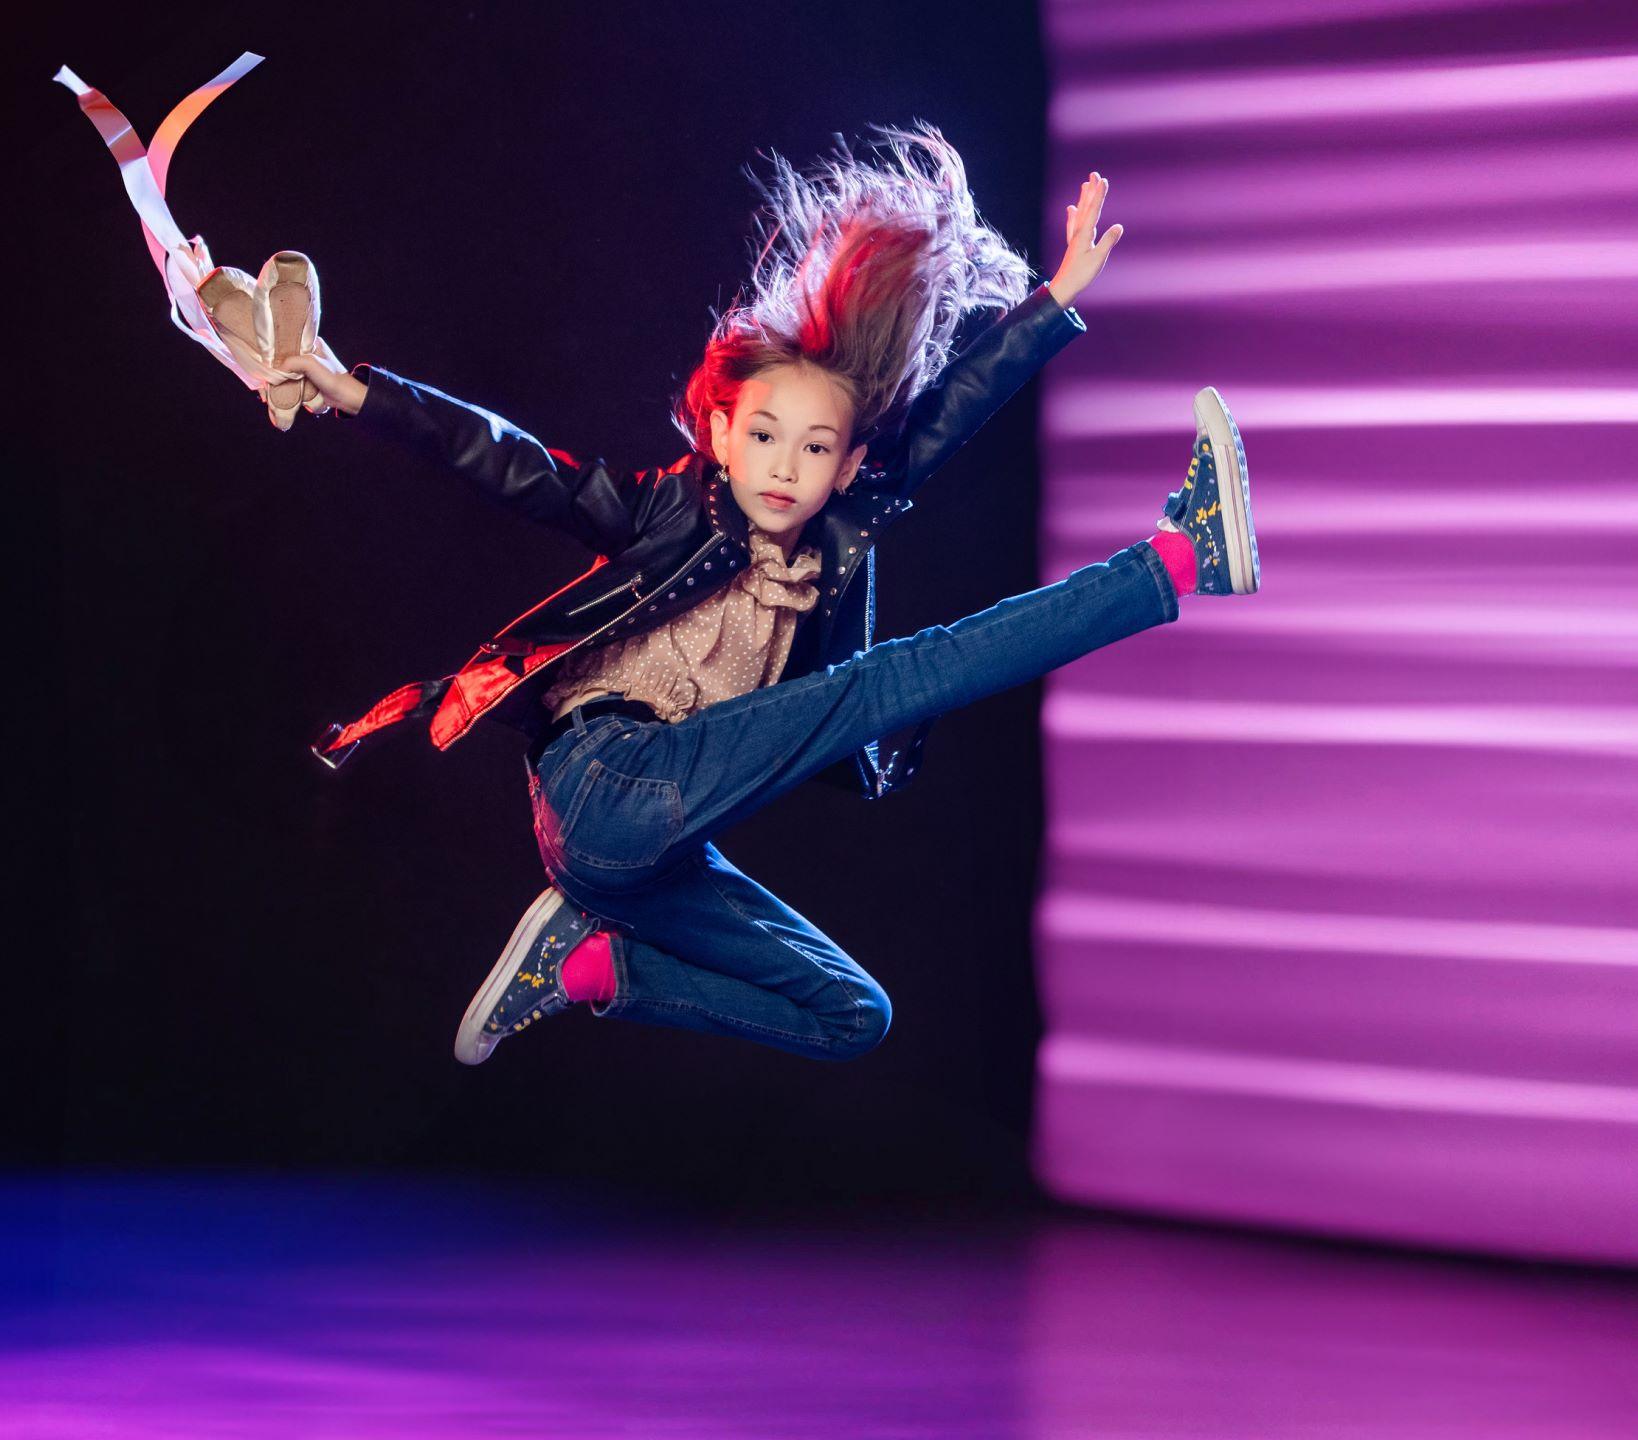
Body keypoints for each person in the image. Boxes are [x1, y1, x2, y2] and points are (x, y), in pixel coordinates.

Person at [280, 124, 1259, 1066]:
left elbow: (938, 426)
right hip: (605, 780)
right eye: (764, 435)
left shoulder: (835, 534)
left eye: (817, 446)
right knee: (895, 680)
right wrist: (351, 390)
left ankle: (588, 968)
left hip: (638, 863)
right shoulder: (665, 510)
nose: (785, 467)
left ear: (847, 466)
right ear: (719, 429)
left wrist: (1054, 300)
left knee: (853, 1014)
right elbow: (511, 463)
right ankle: (1176, 560)